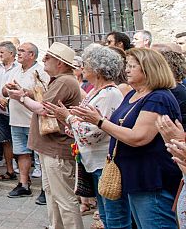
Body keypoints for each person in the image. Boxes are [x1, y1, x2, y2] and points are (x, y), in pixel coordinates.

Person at [72, 48, 181, 228]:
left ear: (149, 69)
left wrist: (99, 121)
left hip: (150, 179)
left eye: (132, 66)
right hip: (134, 176)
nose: (127, 70)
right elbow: (120, 124)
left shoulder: (158, 98)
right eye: (127, 65)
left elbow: (139, 137)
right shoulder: (133, 94)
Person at [43, 44, 125, 229]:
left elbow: (94, 132)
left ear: (97, 70)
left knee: (114, 217)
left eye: (86, 65)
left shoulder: (109, 94)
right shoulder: (97, 91)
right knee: (105, 214)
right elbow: (83, 123)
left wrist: (68, 117)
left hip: (103, 161)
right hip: (93, 161)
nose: (81, 68)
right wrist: (69, 118)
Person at [8, 42, 84, 229]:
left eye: (48, 57)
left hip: (57, 149)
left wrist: (22, 98)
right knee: (52, 194)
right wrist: (26, 93)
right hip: (50, 148)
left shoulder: (65, 81)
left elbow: (43, 108)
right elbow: (44, 101)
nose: (43, 60)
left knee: (64, 198)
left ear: (60, 63)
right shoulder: (59, 80)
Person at [2, 42, 49, 202]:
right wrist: (8, 88)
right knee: (21, 152)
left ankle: (46, 188)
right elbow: (3, 91)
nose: (19, 53)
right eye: (19, 50)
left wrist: (25, 93)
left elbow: (45, 95)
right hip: (16, 120)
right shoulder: (15, 69)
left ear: (32, 55)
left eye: (22, 51)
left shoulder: (41, 71)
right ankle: (23, 184)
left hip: (34, 120)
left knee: (41, 155)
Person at [0, 41, 19, 185]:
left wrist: (7, 100)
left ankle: (20, 168)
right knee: (5, 140)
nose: (0, 54)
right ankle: (10, 170)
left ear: (11, 53)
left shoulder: (19, 68)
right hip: (0, 109)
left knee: (18, 140)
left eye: (2, 52)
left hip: (15, 109)